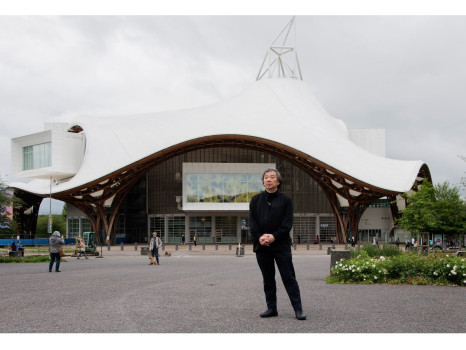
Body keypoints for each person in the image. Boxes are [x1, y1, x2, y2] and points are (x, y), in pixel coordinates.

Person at [249, 168, 306, 321]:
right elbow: (252, 223)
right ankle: (271, 308)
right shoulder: (255, 200)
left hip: (281, 246)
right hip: (262, 246)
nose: (268, 179)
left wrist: (273, 236)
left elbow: (287, 224)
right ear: (263, 181)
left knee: (289, 278)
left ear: (278, 182)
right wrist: (260, 237)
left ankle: (298, 309)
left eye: (272, 177)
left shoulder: (286, 200)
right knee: (268, 279)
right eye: (266, 177)